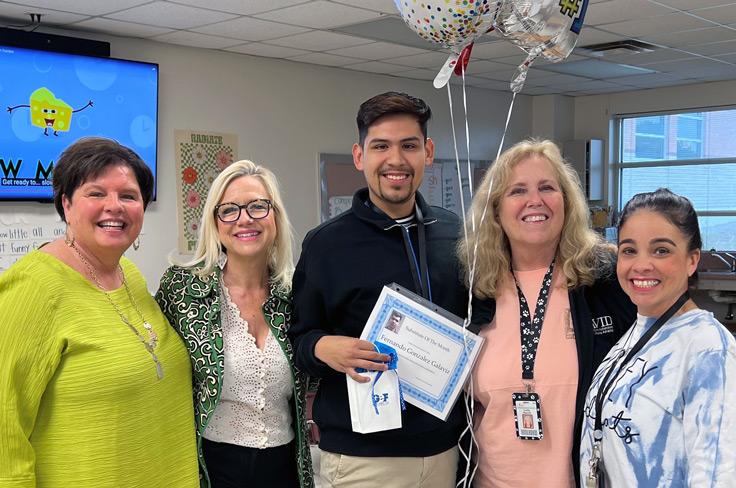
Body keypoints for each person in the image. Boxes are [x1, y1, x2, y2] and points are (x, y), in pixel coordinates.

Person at [289, 91, 467, 488]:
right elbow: (299, 339)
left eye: (409, 145)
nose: (396, 160)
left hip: (445, 451)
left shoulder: (456, 234)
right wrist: (324, 347)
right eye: (380, 146)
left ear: (428, 152)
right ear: (359, 156)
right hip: (362, 460)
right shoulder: (326, 245)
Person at [0, 137, 199, 487]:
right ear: (66, 203)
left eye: (128, 195)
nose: (114, 206)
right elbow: (5, 423)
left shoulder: (130, 276)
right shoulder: (33, 287)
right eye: (96, 194)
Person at [458, 139, 636, 487]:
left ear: (566, 203)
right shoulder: (471, 289)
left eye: (547, 188)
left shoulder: (605, 282)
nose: (534, 200)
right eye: (518, 190)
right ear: (496, 210)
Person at [155, 160, 313, 488]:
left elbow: (314, 379)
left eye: (258, 206)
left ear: (276, 216)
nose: (245, 219)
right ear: (215, 223)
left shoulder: (298, 293)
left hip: (284, 468)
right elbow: (156, 373)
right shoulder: (182, 289)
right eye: (229, 210)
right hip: (209, 467)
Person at [580, 188, 736, 487]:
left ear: (692, 260)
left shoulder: (708, 350)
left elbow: (718, 475)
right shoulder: (636, 333)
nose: (641, 265)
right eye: (629, 250)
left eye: (661, 250)